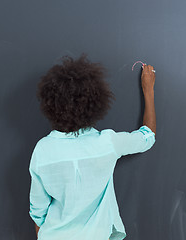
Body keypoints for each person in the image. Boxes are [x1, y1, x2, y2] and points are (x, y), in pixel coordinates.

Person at [28, 53, 156, 240]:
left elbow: (38, 211)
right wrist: (148, 90)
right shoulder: (107, 143)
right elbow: (147, 137)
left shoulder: (43, 150)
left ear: (50, 104)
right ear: (94, 103)